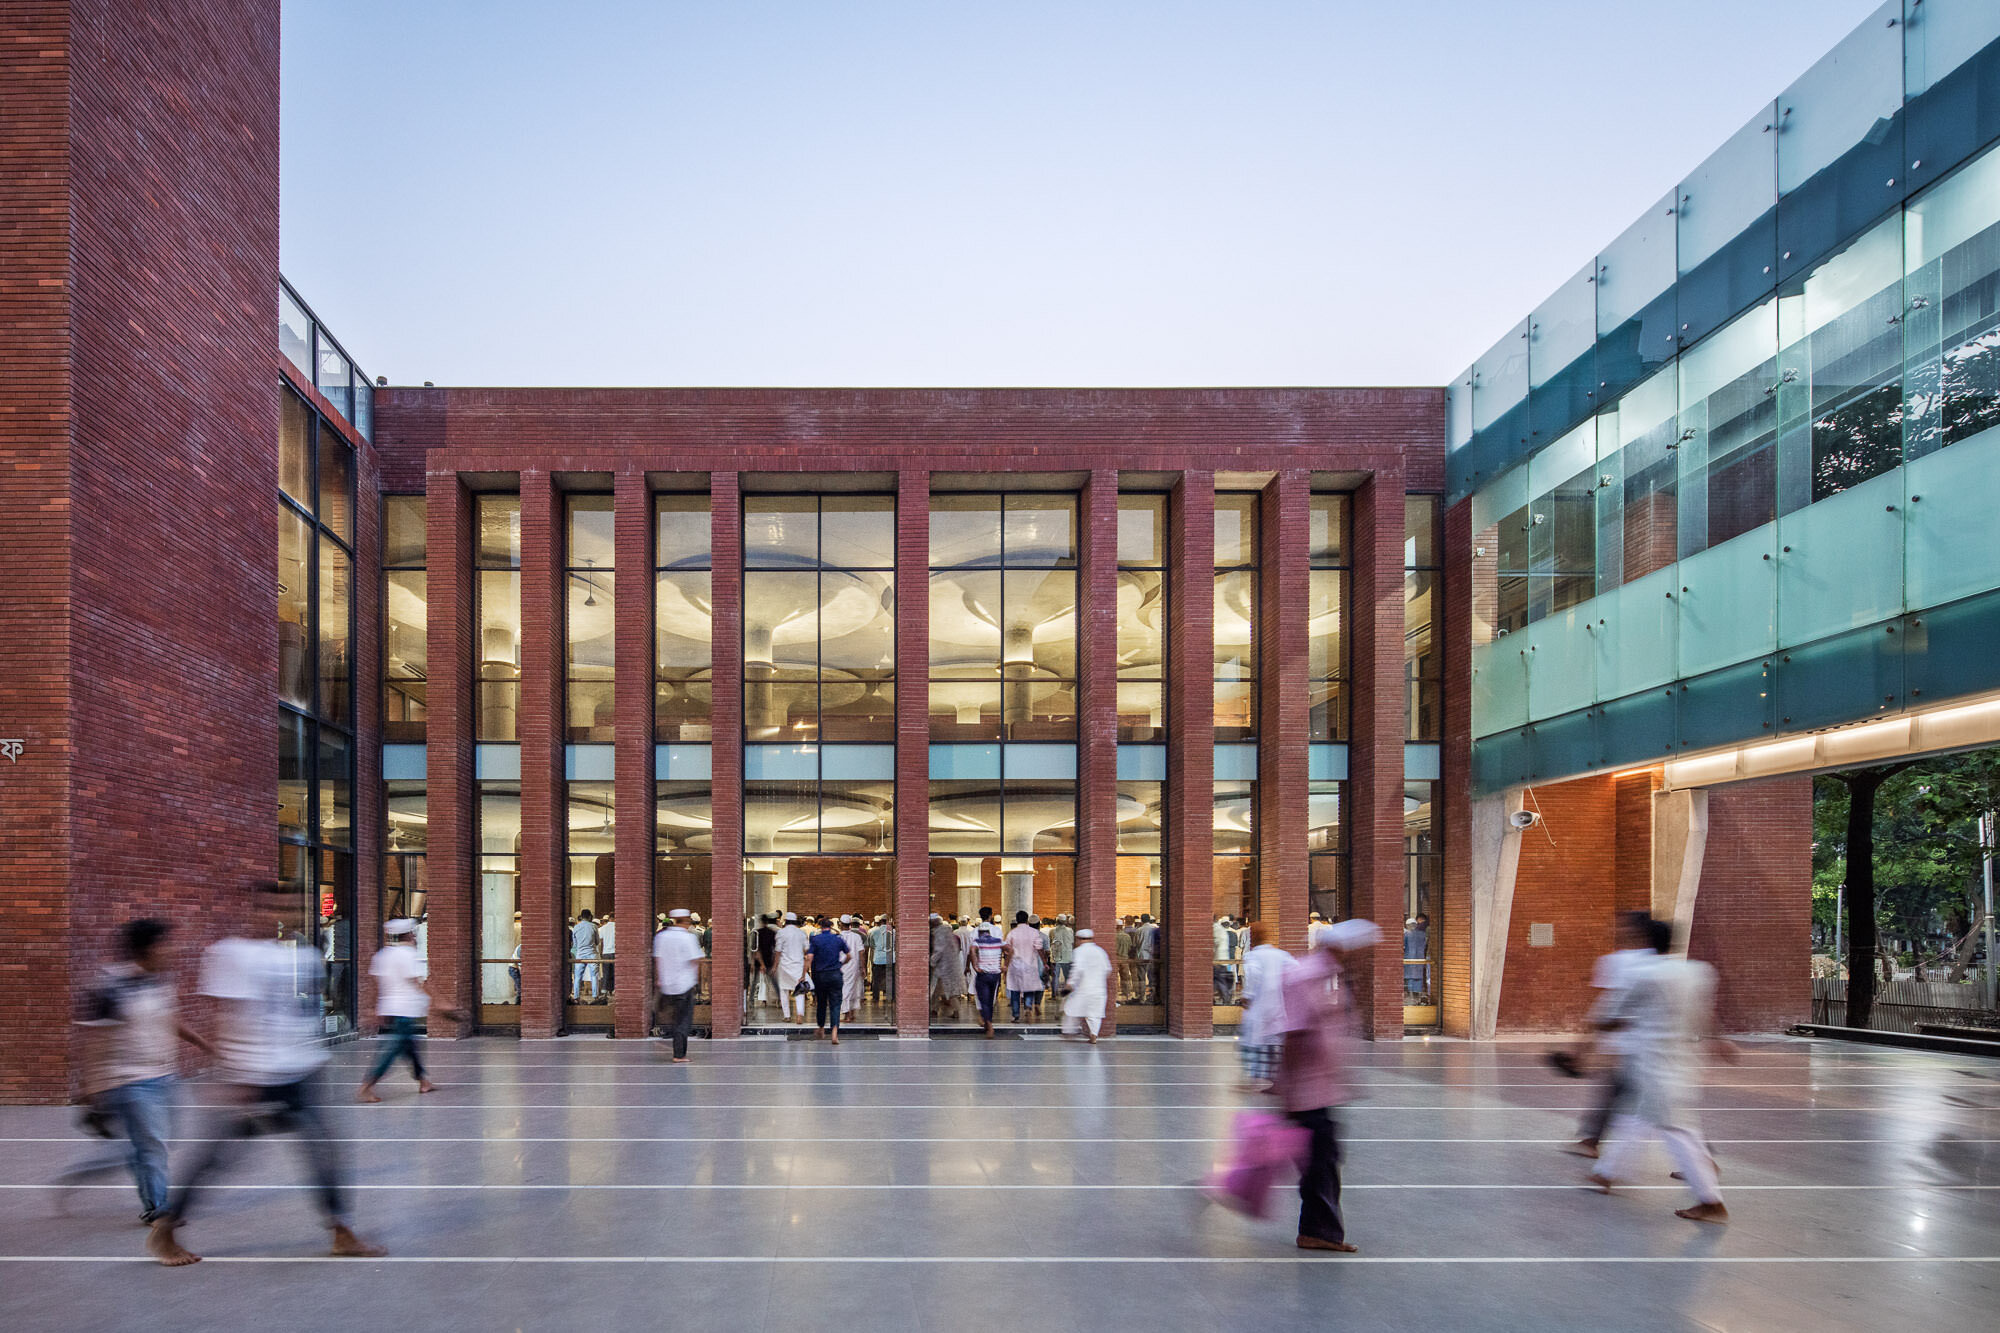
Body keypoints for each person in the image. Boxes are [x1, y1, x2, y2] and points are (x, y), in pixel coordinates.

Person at [147, 882, 384, 1266]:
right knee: (219, 1156)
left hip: (300, 1071)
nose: (281, 914)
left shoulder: (303, 956)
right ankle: (166, 1227)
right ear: (254, 908)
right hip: (253, 1077)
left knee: (324, 1149)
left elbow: (302, 1012)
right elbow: (224, 1018)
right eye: (273, 906)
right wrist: (231, 1077)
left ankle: (341, 1231)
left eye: (289, 907)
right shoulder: (231, 954)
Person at [60, 919, 210, 1224]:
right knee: (152, 1144)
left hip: (165, 1076)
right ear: (149, 948)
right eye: (166, 943)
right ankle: (157, 1208)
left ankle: (106, 1165)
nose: (173, 949)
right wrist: (92, 1090)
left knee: (157, 1143)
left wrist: (203, 1044)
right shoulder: (110, 986)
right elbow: (95, 1042)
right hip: (129, 1080)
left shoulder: (160, 979)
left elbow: (170, 1019)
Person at [1588, 918, 1733, 1224]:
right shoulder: (1698, 972)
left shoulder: (1645, 974)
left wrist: (1601, 1032)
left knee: (1678, 1131)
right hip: (1685, 1061)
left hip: (1653, 1065)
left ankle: (1711, 1201)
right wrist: (1719, 1041)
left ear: (1645, 941)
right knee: (1637, 1118)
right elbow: (1704, 1014)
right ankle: (1606, 1173)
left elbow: (1610, 1016)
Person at [1272, 918, 1378, 1255]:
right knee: (1319, 1161)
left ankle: (1319, 1230)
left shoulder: (1326, 976)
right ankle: (1319, 1232)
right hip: (1307, 1088)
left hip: (1319, 1085)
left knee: (1320, 1158)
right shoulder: (1308, 976)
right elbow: (1295, 1033)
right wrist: (1282, 1084)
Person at [1566, 911, 1654, 1158]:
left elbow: (1605, 1007)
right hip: (1645, 1044)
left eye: (1623, 925)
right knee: (1619, 1093)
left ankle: (1593, 1143)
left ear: (1635, 930)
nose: (1617, 929)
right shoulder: (1658, 961)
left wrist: (1582, 1047)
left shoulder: (1616, 962)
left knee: (1627, 1095)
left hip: (1625, 1045)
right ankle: (1591, 1141)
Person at [357, 918, 443, 1102]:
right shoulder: (409, 955)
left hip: (390, 1007)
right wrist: (438, 1001)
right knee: (393, 1048)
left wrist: (373, 1008)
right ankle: (367, 1086)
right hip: (406, 1008)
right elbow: (418, 981)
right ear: (409, 934)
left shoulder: (383, 955)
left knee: (409, 1046)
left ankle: (423, 1081)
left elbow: (375, 984)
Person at [1237, 920, 1293, 1091]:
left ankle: (1255, 1080)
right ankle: (1274, 1080)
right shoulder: (1281, 955)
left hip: (1259, 1007)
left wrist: (1247, 996)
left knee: (1252, 1043)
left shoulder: (1253, 956)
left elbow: (1253, 976)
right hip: (1278, 1007)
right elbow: (1295, 972)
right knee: (1273, 1043)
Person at [653, 909, 704, 1063]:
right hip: (684, 984)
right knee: (683, 1020)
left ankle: (669, 1037)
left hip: (667, 984)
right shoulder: (687, 938)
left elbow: (658, 959)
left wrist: (659, 979)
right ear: (686, 921)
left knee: (674, 1017)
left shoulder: (661, 937)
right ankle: (679, 1054)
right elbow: (695, 960)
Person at [1060, 927, 1113, 1043]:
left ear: (1078, 939)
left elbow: (1077, 969)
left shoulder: (1078, 951)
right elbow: (1108, 969)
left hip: (1083, 989)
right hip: (1099, 989)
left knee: (1070, 1009)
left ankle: (1069, 1032)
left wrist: (1070, 984)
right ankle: (1094, 1035)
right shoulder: (1100, 951)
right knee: (1094, 1014)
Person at [806, 916, 850, 1043]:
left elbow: (809, 957)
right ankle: (834, 1033)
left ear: (820, 926)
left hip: (820, 975)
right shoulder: (838, 939)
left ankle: (821, 1028)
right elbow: (849, 955)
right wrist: (841, 964)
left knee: (821, 1003)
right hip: (835, 974)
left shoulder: (815, 939)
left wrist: (804, 973)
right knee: (835, 1003)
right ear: (831, 926)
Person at [965, 912, 1006, 1037]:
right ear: (990, 916)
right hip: (995, 969)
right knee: (990, 998)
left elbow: (970, 950)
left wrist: (973, 965)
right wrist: (1004, 965)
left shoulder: (974, 933)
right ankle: (988, 1021)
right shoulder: (997, 933)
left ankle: (983, 1018)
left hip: (980, 967)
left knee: (981, 996)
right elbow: (1007, 949)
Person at [1003, 911, 1046, 1023]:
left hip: (1015, 965)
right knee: (1029, 988)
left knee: (1015, 990)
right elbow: (1039, 948)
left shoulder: (1012, 933)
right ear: (1027, 920)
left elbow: (1007, 950)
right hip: (1030, 964)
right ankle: (1028, 1007)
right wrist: (1045, 962)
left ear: (1017, 920)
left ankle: (1016, 1015)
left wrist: (1005, 965)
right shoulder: (1034, 932)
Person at [773, 912, 808, 1023]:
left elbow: (778, 951)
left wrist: (774, 966)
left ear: (786, 921)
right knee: (799, 990)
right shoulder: (801, 933)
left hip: (784, 965)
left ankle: (787, 1016)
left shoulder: (781, 933)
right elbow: (806, 949)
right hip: (798, 964)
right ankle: (799, 1015)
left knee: (784, 990)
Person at [928, 914, 963, 1019]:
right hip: (951, 966)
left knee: (935, 990)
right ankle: (956, 1011)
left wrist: (931, 962)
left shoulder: (937, 934)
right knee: (951, 991)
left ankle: (934, 1010)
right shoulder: (951, 934)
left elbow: (938, 951)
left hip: (941, 966)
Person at [569, 909, 600, 1003]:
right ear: (590, 917)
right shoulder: (594, 926)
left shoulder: (576, 928)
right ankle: (595, 996)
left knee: (578, 976)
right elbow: (597, 942)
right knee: (594, 976)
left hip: (580, 954)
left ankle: (576, 996)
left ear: (581, 917)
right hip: (592, 954)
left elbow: (574, 944)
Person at [839, 915, 866, 1020]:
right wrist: (863, 967)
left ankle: (847, 1014)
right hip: (854, 967)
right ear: (850, 924)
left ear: (840, 924)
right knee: (854, 989)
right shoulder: (856, 937)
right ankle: (852, 1012)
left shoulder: (838, 937)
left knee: (844, 989)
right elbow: (861, 953)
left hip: (842, 966)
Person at [752, 913, 778, 1008]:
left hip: (760, 960)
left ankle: (763, 1000)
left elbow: (755, 949)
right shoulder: (773, 932)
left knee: (762, 981)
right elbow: (775, 949)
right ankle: (777, 1000)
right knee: (773, 981)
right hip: (770, 959)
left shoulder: (757, 932)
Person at [869, 916, 894, 1002]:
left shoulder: (874, 931)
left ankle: (876, 997)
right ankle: (892, 997)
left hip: (878, 959)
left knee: (876, 979)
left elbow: (871, 944)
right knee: (891, 978)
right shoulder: (894, 931)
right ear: (888, 921)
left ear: (880, 922)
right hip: (891, 958)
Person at [1402, 914, 1428, 1001]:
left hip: (1409, 958)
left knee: (1410, 977)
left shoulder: (1406, 935)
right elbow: (1424, 945)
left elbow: (1403, 946)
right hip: (1420, 958)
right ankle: (1417, 995)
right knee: (1418, 976)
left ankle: (1410, 995)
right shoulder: (1422, 934)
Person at [1137, 913, 1161, 1002]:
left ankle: (1142, 997)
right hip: (1152, 955)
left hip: (1142, 955)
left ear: (1142, 920)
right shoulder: (1154, 929)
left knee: (1142, 977)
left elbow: (1137, 943)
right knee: (1152, 977)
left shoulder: (1139, 930)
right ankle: (1152, 996)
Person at [1049, 915, 1075, 993]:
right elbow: (1072, 942)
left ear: (1056, 922)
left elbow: (1050, 942)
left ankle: (1054, 994)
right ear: (1065, 922)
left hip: (1056, 956)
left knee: (1055, 976)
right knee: (1067, 976)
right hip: (1067, 956)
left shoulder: (1052, 931)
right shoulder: (1070, 930)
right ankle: (1068, 993)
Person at [1115, 917, 1137, 1002]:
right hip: (1125, 958)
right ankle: (1127, 992)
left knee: (1116, 977)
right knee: (1126, 977)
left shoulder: (1114, 936)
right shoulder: (1127, 936)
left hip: (1116, 958)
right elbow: (1130, 947)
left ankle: (1115, 992)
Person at [598, 912, 616, 998]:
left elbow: (600, 940)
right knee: (614, 973)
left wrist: (600, 952)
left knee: (606, 973)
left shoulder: (603, 928)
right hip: (615, 952)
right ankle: (612, 990)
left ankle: (604, 990)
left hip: (606, 953)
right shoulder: (618, 927)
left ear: (609, 918)